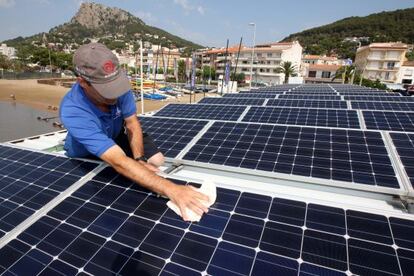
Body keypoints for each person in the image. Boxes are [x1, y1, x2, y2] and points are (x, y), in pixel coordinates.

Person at [60, 43, 208, 221]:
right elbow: (118, 161)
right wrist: (173, 189)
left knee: (157, 161)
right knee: (114, 182)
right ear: (82, 82)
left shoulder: (118, 87)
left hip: (115, 135)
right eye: (106, 90)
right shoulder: (73, 110)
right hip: (86, 152)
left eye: (115, 85)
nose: (114, 94)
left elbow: (131, 124)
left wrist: (139, 160)